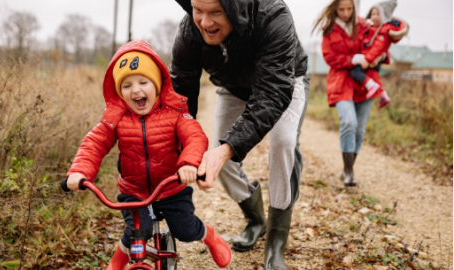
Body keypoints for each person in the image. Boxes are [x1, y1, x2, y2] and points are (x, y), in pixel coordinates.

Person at [65, 40, 232, 269]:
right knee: (136, 232)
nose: (136, 90)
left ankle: (208, 235)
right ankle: (117, 262)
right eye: (126, 86)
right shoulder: (116, 119)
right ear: (118, 91)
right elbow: (94, 144)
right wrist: (79, 172)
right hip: (134, 191)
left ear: (157, 85)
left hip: (172, 187)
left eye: (143, 82)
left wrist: (189, 164)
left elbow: (195, 137)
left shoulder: (174, 114)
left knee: (185, 229)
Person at [170, 0, 309, 269]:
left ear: (234, 8)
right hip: (233, 87)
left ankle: (276, 242)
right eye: (198, 10)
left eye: (215, 13)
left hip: (284, 83)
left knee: (283, 142)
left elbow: (272, 93)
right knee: (218, 156)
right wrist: (175, 150)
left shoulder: (273, 15)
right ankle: (256, 219)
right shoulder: (189, 31)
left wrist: (227, 149)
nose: (205, 23)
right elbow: (181, 99)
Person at [313, 0, 407, 186]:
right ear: (335, 9)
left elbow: (381, 38)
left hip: (365, 83)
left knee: (360, 130)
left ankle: (349, 169)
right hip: (341, 83)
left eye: (349, 8)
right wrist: (353, 59)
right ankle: (348, 172)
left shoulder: (364, 24)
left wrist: (382, 55)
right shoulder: (329, 29)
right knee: (349, 122)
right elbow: (330, 58)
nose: (346, 13)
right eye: (341, 9)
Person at [350, 0, 408, 108]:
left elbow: (378, 47)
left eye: (378, 14)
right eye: (373, 14)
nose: (375, 17)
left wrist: (368, 59)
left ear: (384, 16)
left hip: (370, 58)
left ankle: (371, 86)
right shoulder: (373, 28)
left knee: (355, 72)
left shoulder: (383, 30)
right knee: (374, 75)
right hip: (371, 58)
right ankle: (383, 94)